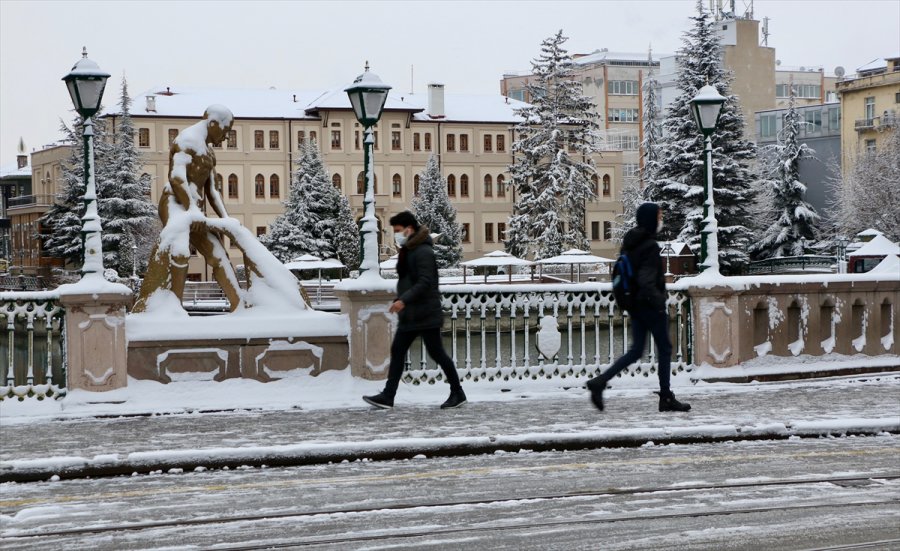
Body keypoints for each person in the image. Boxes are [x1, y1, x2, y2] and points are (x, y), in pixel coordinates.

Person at [586, 202, 691, 412]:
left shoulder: (631, 241)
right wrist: (659, 303)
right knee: (665, 349)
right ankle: (666, 397)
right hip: (650, 306)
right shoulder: (650, 245)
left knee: (635, 351)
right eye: (659, 216)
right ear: (651, 219)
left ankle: (600, 382)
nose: (660, 220)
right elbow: (647, 279)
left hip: (634, 304)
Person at [363, 211, 467, 410]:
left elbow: (426, 282)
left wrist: (403, 300)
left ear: (409, 229)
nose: (396, 235)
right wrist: (401, 300)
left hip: (425, 313)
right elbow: (410, 280)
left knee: (437, 354)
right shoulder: (410, 250)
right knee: (399, 350)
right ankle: (388, 395)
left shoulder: (423, 252)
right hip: (412, 314)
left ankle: (457, 392)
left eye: (398, 231)